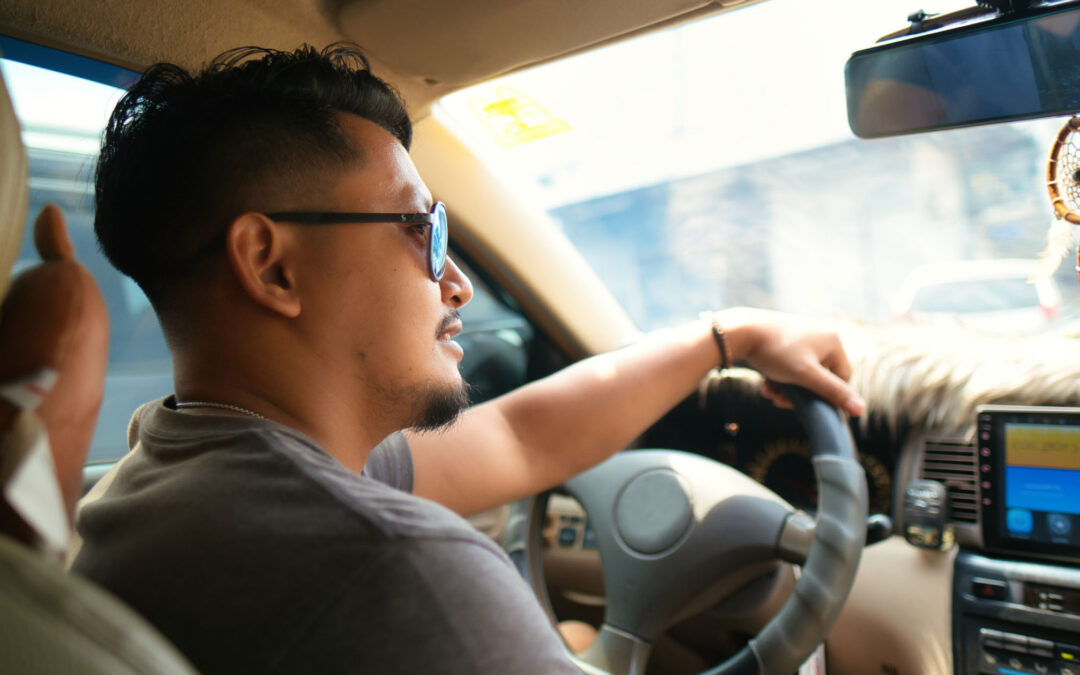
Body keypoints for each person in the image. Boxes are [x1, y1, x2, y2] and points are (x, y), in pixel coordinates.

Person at [71, 44, 866, 674]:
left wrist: (725, 339)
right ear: (272, 265)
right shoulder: (400, 572)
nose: (458, 282)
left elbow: (522, 437)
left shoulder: (169, 472)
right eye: (422, 230)